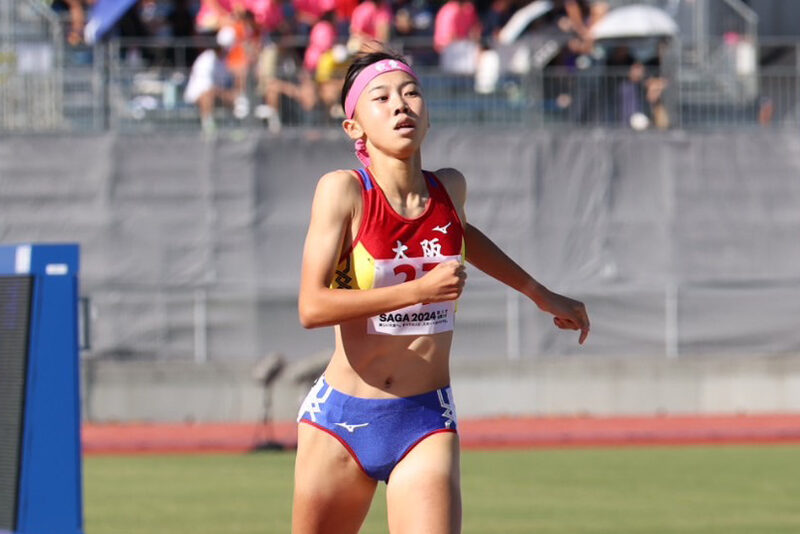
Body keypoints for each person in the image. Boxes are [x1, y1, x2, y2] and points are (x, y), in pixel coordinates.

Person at [293, 49, 590, 534]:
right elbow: (312, 306)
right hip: (341, 420)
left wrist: (540, 293)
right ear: (355, 128)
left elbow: (463, 236)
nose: (400, 106)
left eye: (411, 94)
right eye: (382, 98)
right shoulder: (344, 192)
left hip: (423, 419)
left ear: (428, 116)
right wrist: (418, 290)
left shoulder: (450, 190)